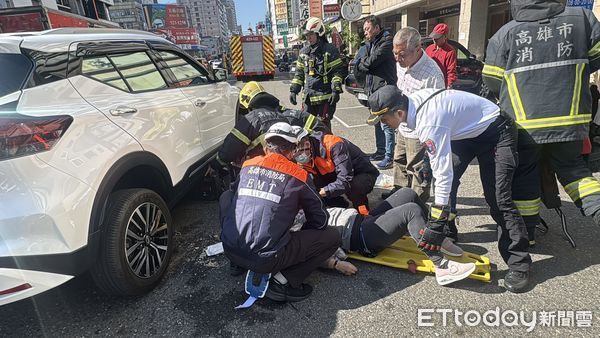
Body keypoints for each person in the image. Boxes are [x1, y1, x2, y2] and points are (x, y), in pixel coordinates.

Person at [368, 85, 532, 293]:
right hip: (464, 134)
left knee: (499, 199)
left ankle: (519, 263)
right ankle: (448, 233)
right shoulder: (409, 106)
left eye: (384, 120)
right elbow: (433, 140)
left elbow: (443, 172)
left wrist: (435, 224)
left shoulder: (429, 119)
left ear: (398, 112)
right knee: (447, 185)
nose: (384, 125)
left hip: (496, 132)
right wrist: (428, 160)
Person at [482, 0, 600, 244]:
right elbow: (595, 58)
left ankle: (528, 235)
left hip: (524, 125)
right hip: (570, 120)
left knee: (524, 175)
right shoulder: (582, 19)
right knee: (575, 171)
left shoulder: (505, 34)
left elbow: (492, 79)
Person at [220, 122, 340, 302]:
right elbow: (321, 219)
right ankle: (283, 282)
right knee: (332, 236)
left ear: (266, 147)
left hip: (229, 248)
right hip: (266, 259)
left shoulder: (248, 165)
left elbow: (235, 195)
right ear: (292, 151)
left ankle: (237, 264)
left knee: (225, 197)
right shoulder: (299, 175)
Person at [316, 188, 475, 285]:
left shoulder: (299, 198)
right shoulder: (294, 222)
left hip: (361, 219)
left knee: (408, 193)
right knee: (411, 211)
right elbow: (310, 251)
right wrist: (335, 264)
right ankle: (441, 267)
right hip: (359, 237)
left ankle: (437, 238)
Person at [386, 27, 445, 202]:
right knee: (400, 163)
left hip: (420, 131)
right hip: (403, 127)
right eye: (395, 54)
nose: (397, 59)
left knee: (419, 171)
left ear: (418, 49)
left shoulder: (432, 74)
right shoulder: (400, 65)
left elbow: (437, 110)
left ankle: (416, 206)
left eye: (402, 54)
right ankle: (399, 199)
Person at [215, 81, 328, 167]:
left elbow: (230, 149)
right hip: (291, 168)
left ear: (248, 105)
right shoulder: (291, 115)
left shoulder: (251, 118)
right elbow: (323, 131)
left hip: (259, 169)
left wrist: (217, 164)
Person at [293, 127, 379, 209]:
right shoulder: (301, 154)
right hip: (333, 173)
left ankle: (363, 212)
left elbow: (345, 179)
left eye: (301, 150)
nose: (299, 156)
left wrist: (325, 191)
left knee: (354, 187)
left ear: (308, 143)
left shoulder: (334, 145)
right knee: (312, 186)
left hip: (361, 173)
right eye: (295, 152)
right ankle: (338, 203)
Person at [357, 15, 397, 169]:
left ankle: (389, 156)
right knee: (377, 123)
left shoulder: (387, 42)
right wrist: (363, 62)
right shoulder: (371, 43)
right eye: (364, 30)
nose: (365, 32)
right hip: (374, 90)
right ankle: (380, 151)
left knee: (387, 124)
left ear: (376, 28)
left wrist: (364, 63)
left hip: (385, 89)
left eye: (367, 29)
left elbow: (371, 61)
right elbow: (361, 61)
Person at [290, 17, 345, 130]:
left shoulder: (330, 50)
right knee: (306, 130)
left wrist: (335, 90)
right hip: (308, 100)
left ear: (319, 33)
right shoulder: (303, 53)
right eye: (307, 35)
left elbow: (337, 73)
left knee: (323, 131)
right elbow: (299, 74)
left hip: (324, 100)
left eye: (311, 34)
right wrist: (294, 90)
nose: (308, 38)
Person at [425, 23, 457, 89]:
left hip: (441, 85)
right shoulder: (429, 49)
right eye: (433, 37)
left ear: (445, 37)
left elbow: (451, 71)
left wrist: (449, 86)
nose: (434, 39)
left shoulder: (450, 52)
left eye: (437, 37)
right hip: (427, 83)